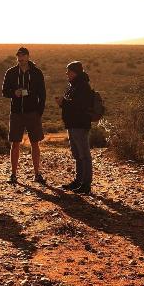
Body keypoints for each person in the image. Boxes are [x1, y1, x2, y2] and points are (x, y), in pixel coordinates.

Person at [2, 47, 46, 184]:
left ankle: (37, 173)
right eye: (18, 56)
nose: (20, 59)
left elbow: (42, 94)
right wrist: (14, 93)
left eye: (22, 56)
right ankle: (13, 174)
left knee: (35, 143)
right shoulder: (11, 73)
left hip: (33, 113)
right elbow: (4, 91)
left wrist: (39, 112)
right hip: (16, 113)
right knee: (15, 143)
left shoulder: (37, 73)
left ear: (28, 56)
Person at [55, 61, 94, 194]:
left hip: (80, 125)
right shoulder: (74, 85)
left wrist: (63, 102)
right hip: (72, 124)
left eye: (69, 71)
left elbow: (79, 106)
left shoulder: (82, 86)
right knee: (77, 154)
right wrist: (63, 103)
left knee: (84, 155)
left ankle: (86, 184)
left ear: (75, 72)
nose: (67, 73)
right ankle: (79, 181)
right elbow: (72, 105)